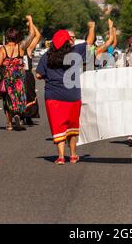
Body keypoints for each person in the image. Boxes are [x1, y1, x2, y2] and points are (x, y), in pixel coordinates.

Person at [36, 21, 96, 165]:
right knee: (72, 127)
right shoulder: (74, 52)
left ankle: (61, 156)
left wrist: (50, 77)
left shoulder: (46, 56)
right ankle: (73, 155)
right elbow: (89, 42)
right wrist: (91, 27)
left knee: (58, 126)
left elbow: (38, 75)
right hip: (72, 95)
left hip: (53, 96)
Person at [0, 16, 36, 131]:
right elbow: (32, 34)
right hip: (18, 78)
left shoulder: (3, 49)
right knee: (19, 98)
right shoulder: (21, 47)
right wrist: (30, 20)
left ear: (7, 37)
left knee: (7, 100)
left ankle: (9, 124)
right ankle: (17, 114)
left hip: (7, 78)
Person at [22, 20, 42, 126]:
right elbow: (37, 35)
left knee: (18, 96)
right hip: (27, 76)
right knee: (30, 96)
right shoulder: (28, 50)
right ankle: (28, 116)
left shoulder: (14, 49)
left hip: (16, 76)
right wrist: (30, 21)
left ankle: (18, 116)